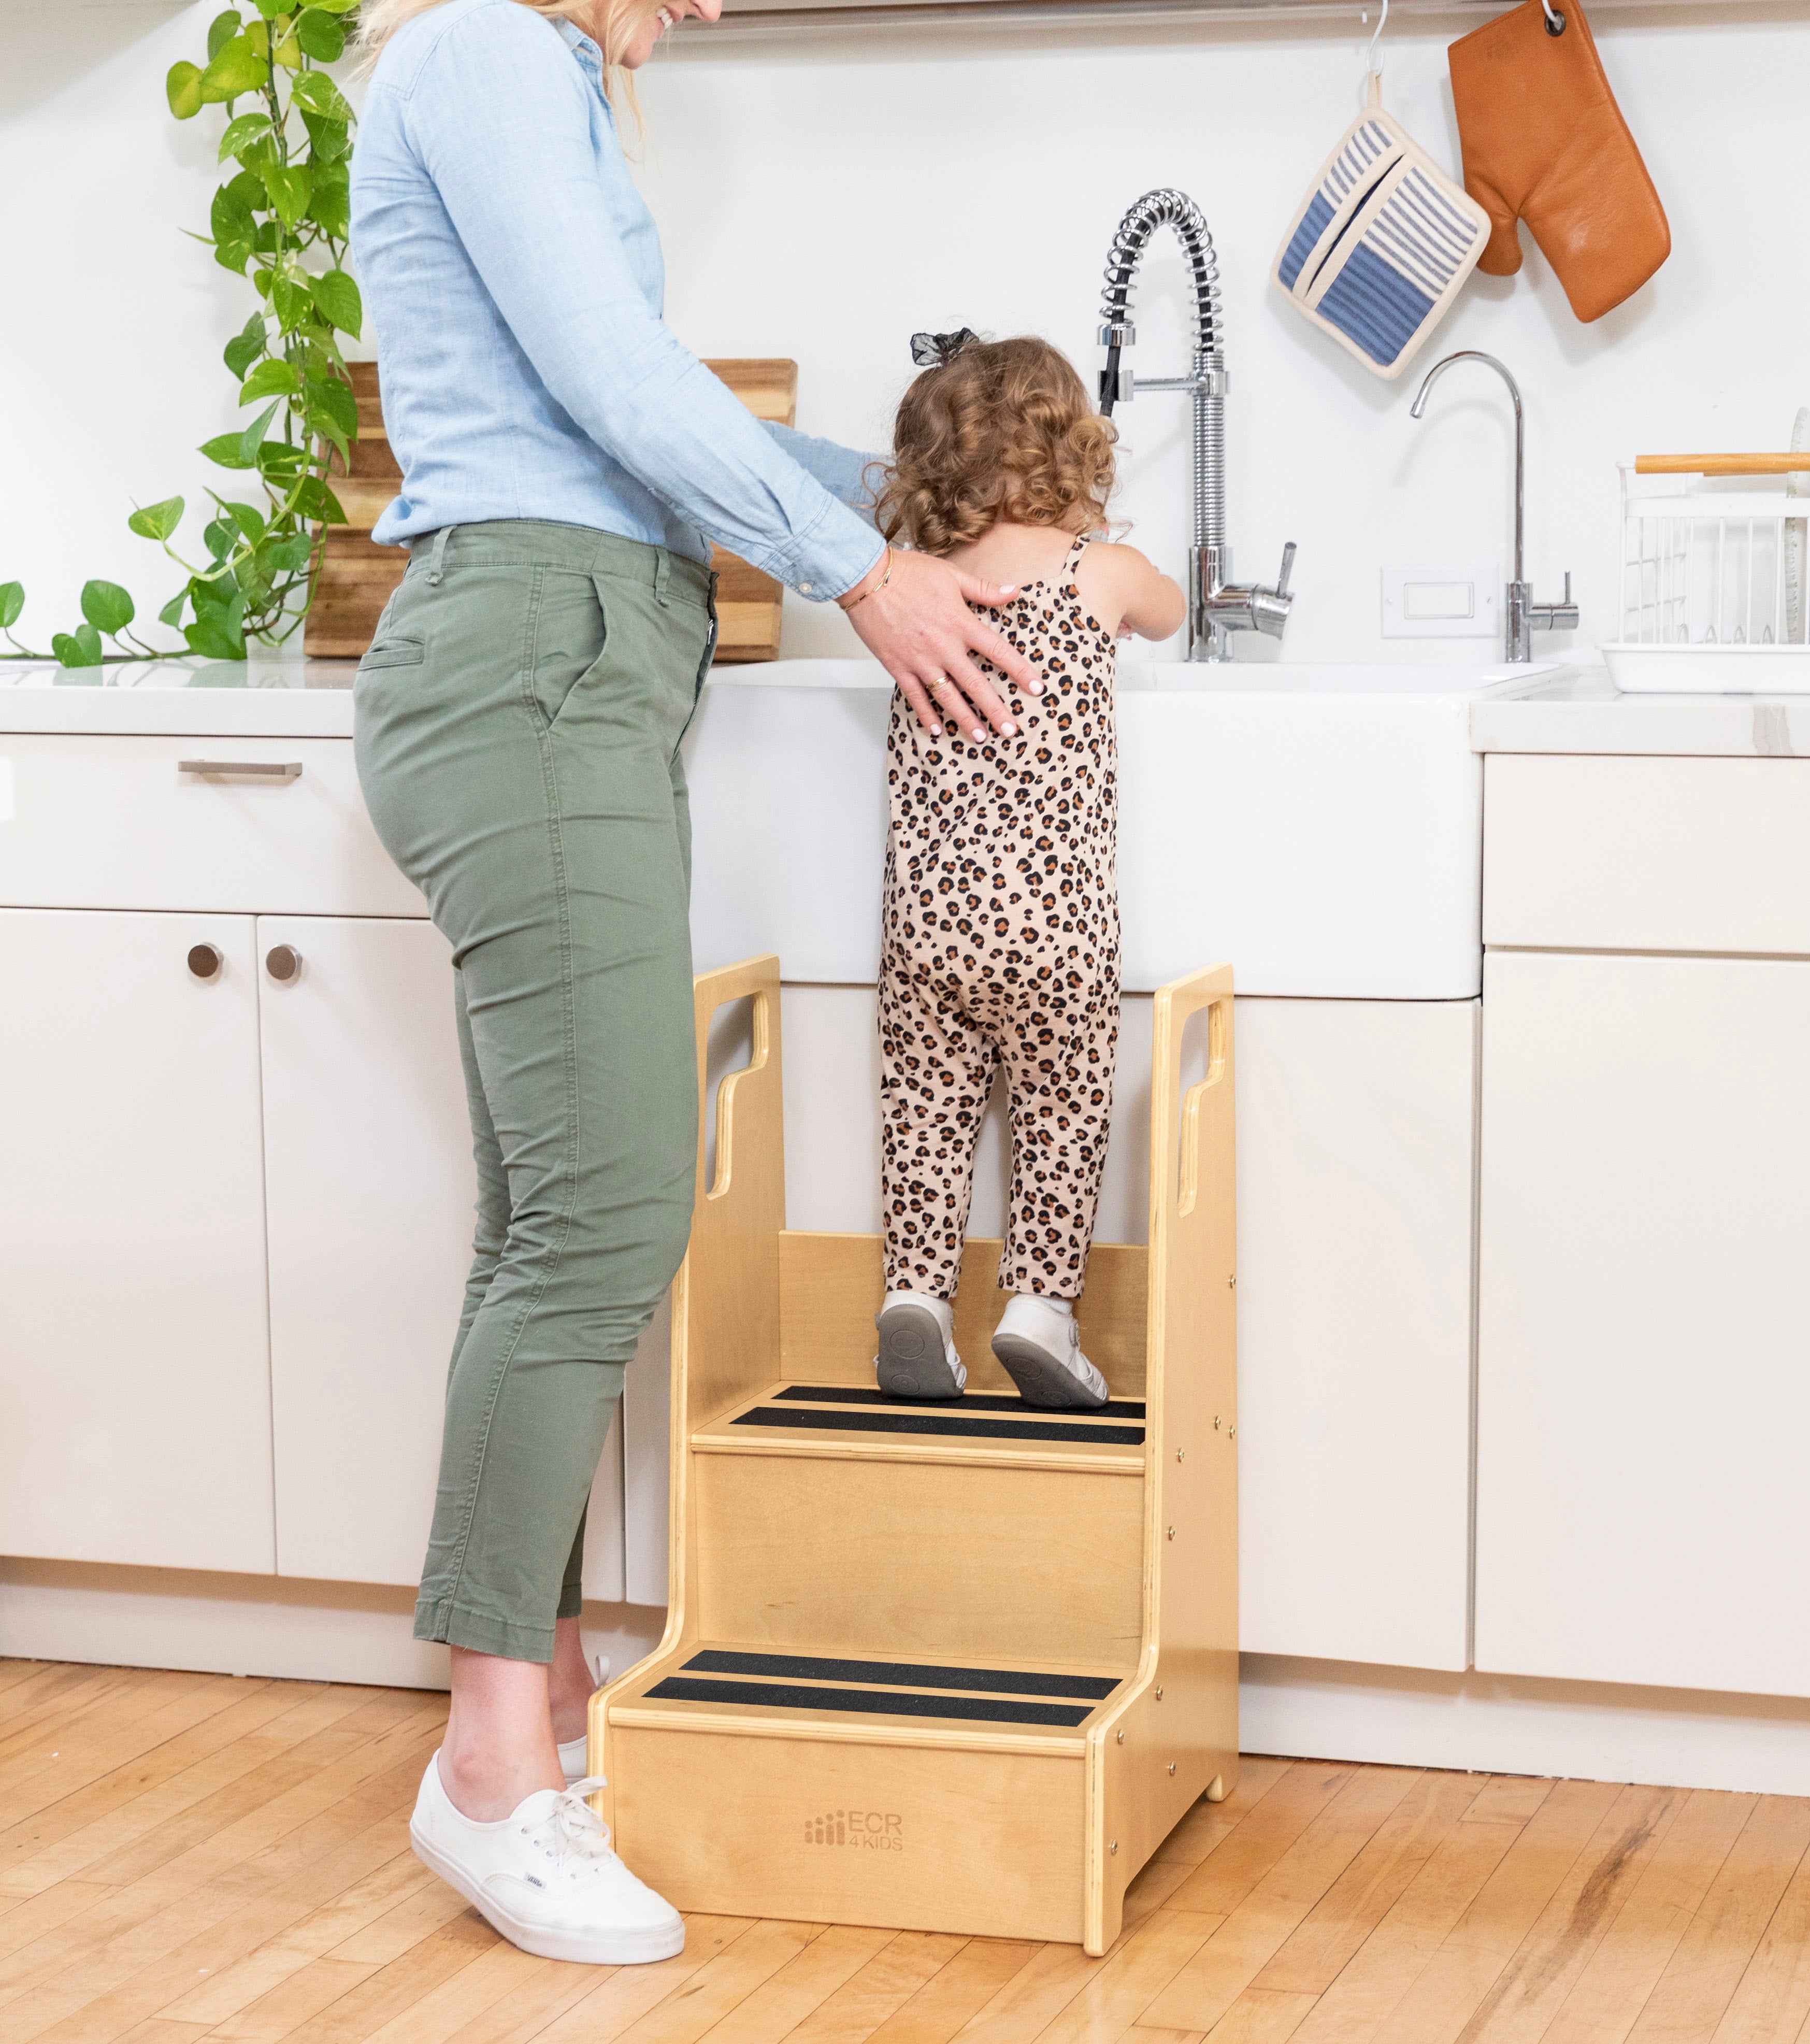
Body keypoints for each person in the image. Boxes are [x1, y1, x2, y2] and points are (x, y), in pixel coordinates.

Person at [347, 0, 1041, 1967]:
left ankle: (535, 1698)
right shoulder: (480, 45)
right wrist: (860, 568)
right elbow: (612, 379)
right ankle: (491, 1771)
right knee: (609, 1214)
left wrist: (929, 517)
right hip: (533, 659)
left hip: (566, 653)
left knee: (542, 1227)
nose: (712, 7)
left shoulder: (536, 73)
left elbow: (648, 412)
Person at [867, 332, 1185, 1410]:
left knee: (922, 1107)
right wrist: (1096, 536)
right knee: (1060, 1110)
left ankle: (913, 1295)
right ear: (1072, 455)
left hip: (927, 932)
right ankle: (1039, 1308)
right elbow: (1171, 609)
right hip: (1052, 937)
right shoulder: (1091, 572)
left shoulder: (913, 592)